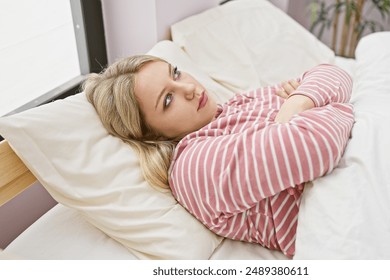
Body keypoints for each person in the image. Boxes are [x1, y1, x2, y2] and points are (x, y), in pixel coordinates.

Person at [83, 54, 355, 257]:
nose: (187, 88)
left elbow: (335, 74)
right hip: (347, 218)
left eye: (175, 73)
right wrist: (323, 104)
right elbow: (316, 146)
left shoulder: (237, 104)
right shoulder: (193, 166)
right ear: (153, 135)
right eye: (167, 100)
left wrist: (300, 101)